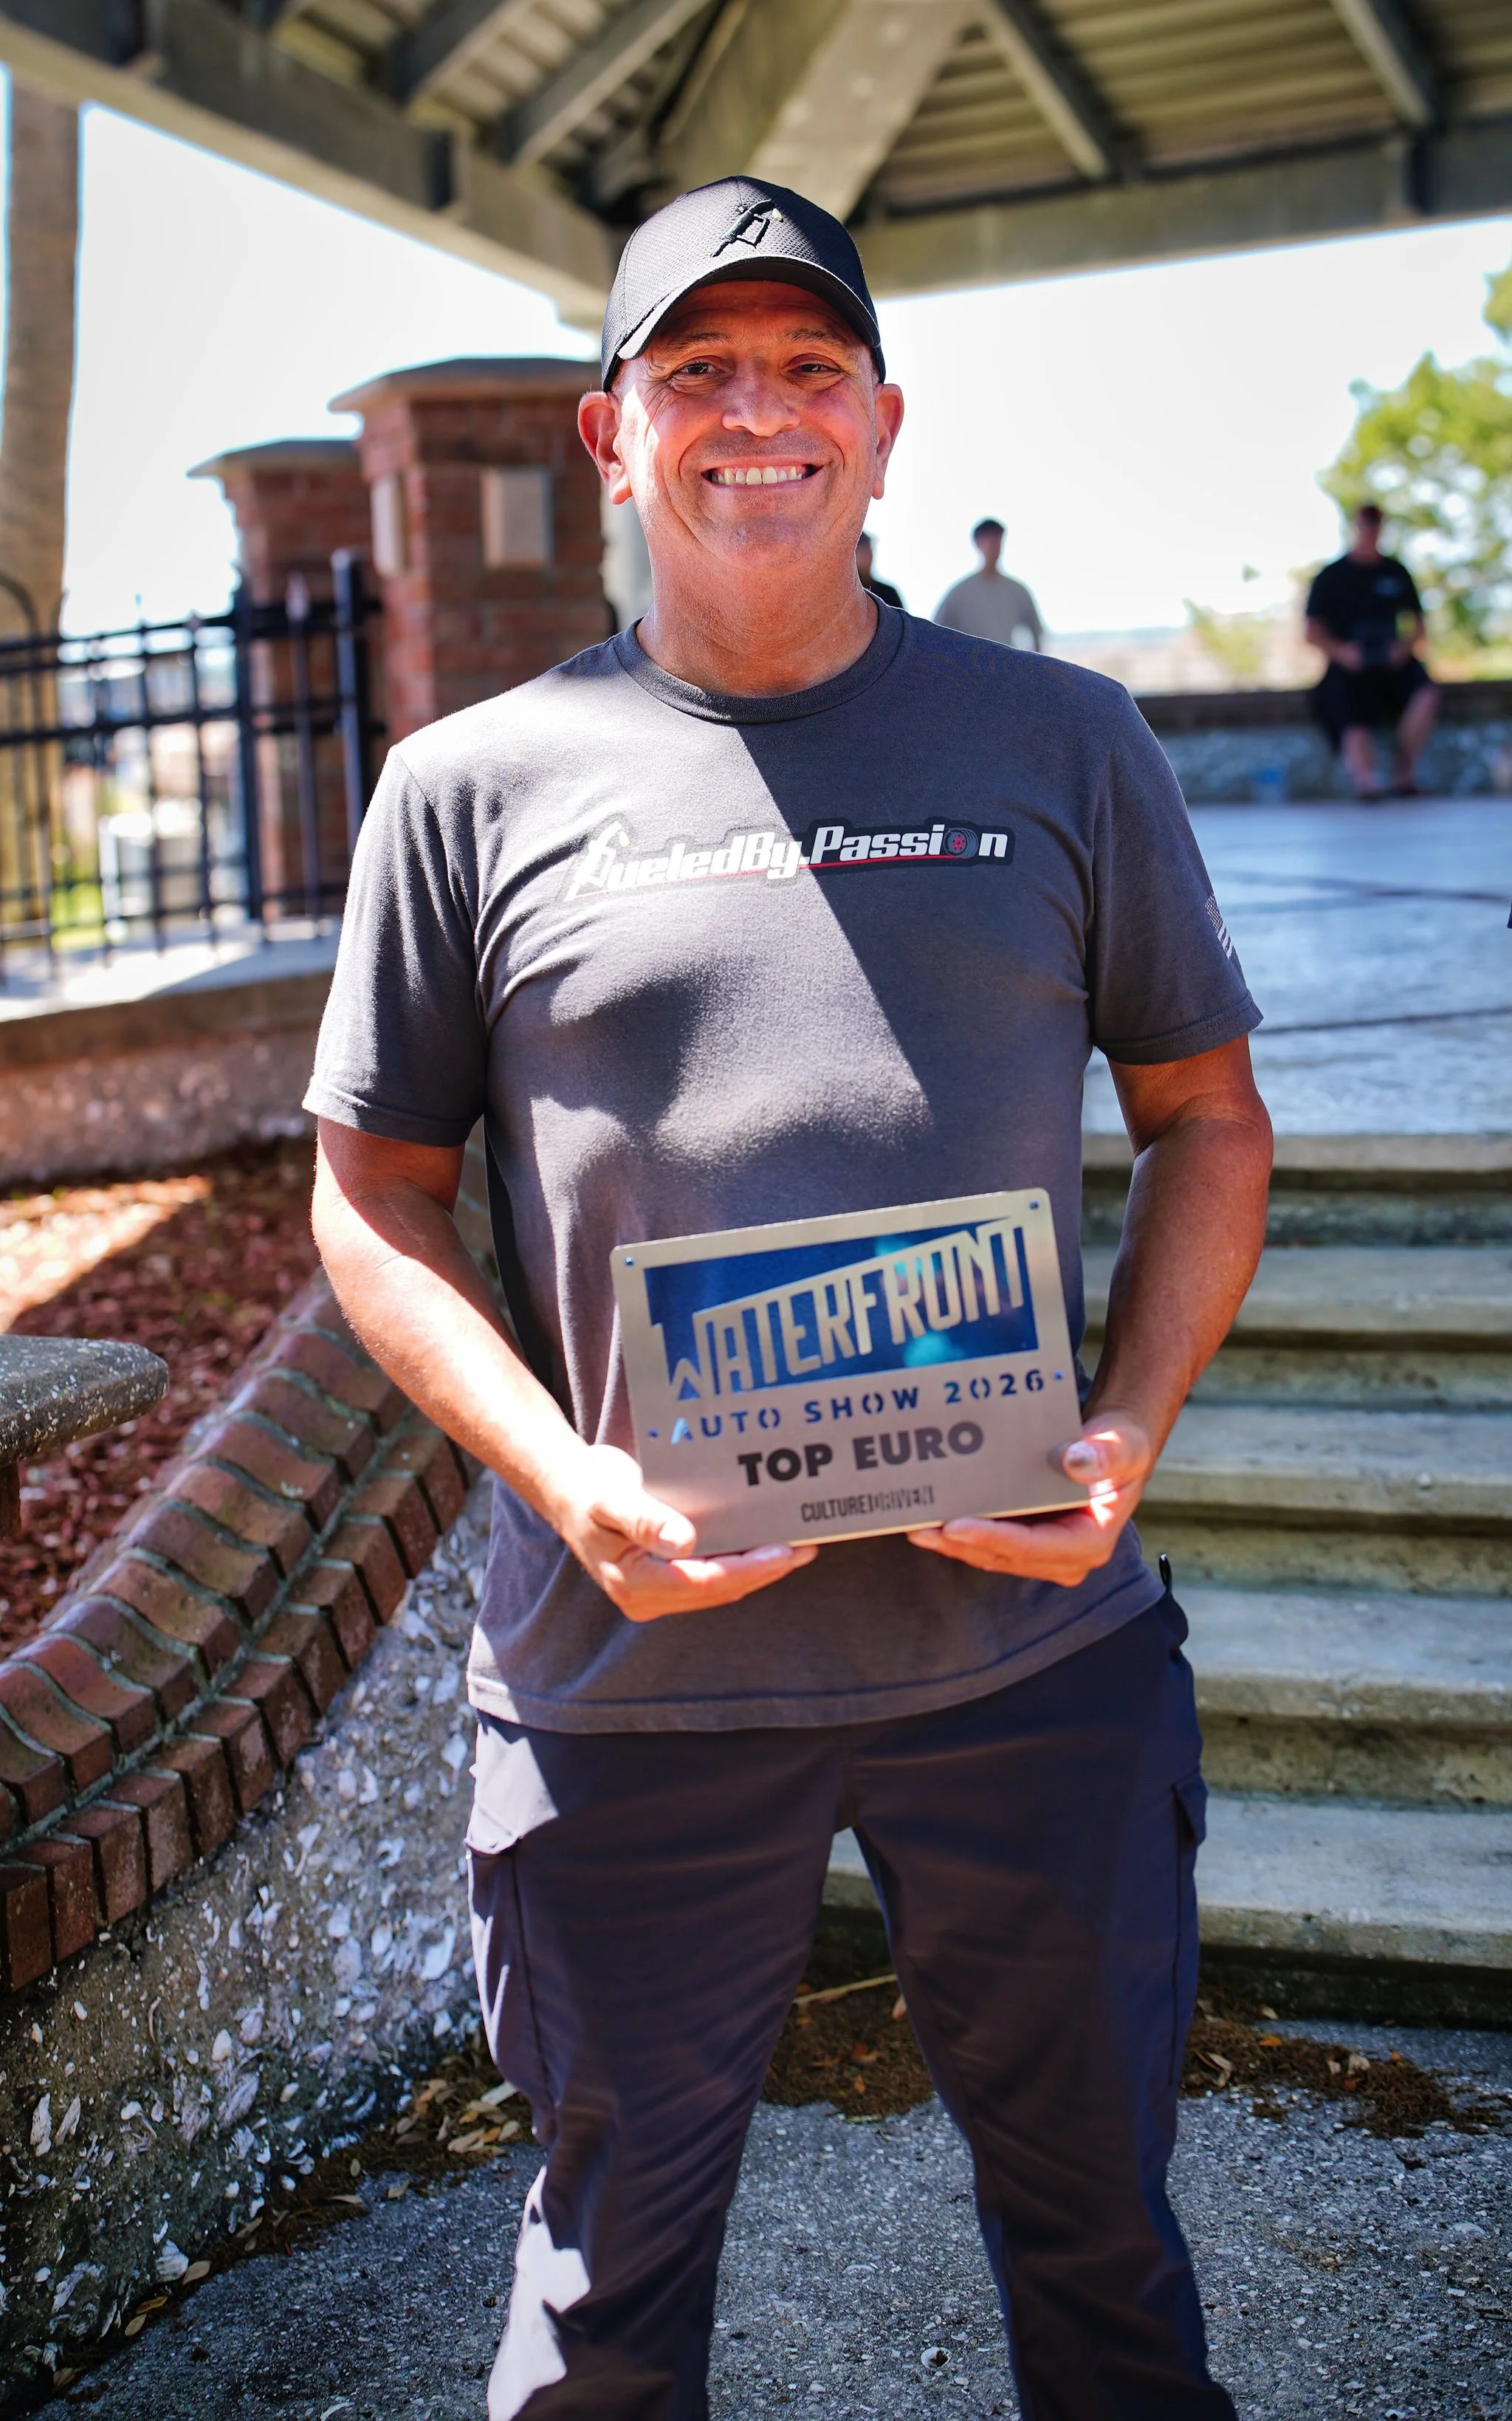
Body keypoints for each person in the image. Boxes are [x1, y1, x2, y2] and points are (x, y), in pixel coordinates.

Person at [307, 174, 1270, 2421]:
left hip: (1032, 1665)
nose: (759, 414)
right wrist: (562, 1473)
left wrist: (1121, 1427)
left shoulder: (1065, 744)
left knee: (1108, 2257)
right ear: (608, 434)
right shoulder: (465, 790)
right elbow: (367, 1201)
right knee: (598, 2325)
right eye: (698, 372)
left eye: (807, 366)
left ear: (884, 419)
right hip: (627, 1691)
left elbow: (1206, 1120)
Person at [1305, 503, 1439, 797]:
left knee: (1426, 694)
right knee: (1347, 707)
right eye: (1365, 524)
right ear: (1354, 527)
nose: (1370, 531)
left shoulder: (1396, 571)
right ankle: (1366, 781)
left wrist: (1403, 649)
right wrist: (1343, 652)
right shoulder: (1332, 576)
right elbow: (1312, 632)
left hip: (1393, 664)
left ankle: (1404, 774)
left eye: (1375, 525)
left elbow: (1418, 625)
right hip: (1348, 666)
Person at [935, 515, 1043, 650]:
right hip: (971, 667)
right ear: (977, 543)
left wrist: (1033, 668)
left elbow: (1037, 634)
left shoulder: (1018, 591)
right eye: (988, 539)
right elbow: (937, 633)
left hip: (1008, 666)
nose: (993, 545)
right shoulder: (959, 594)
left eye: (997, 539)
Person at [856, 527, 902, 608]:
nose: (868, 554)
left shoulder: (889, 593)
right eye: (863, 549)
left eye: (869, 548)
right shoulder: (845, 592)